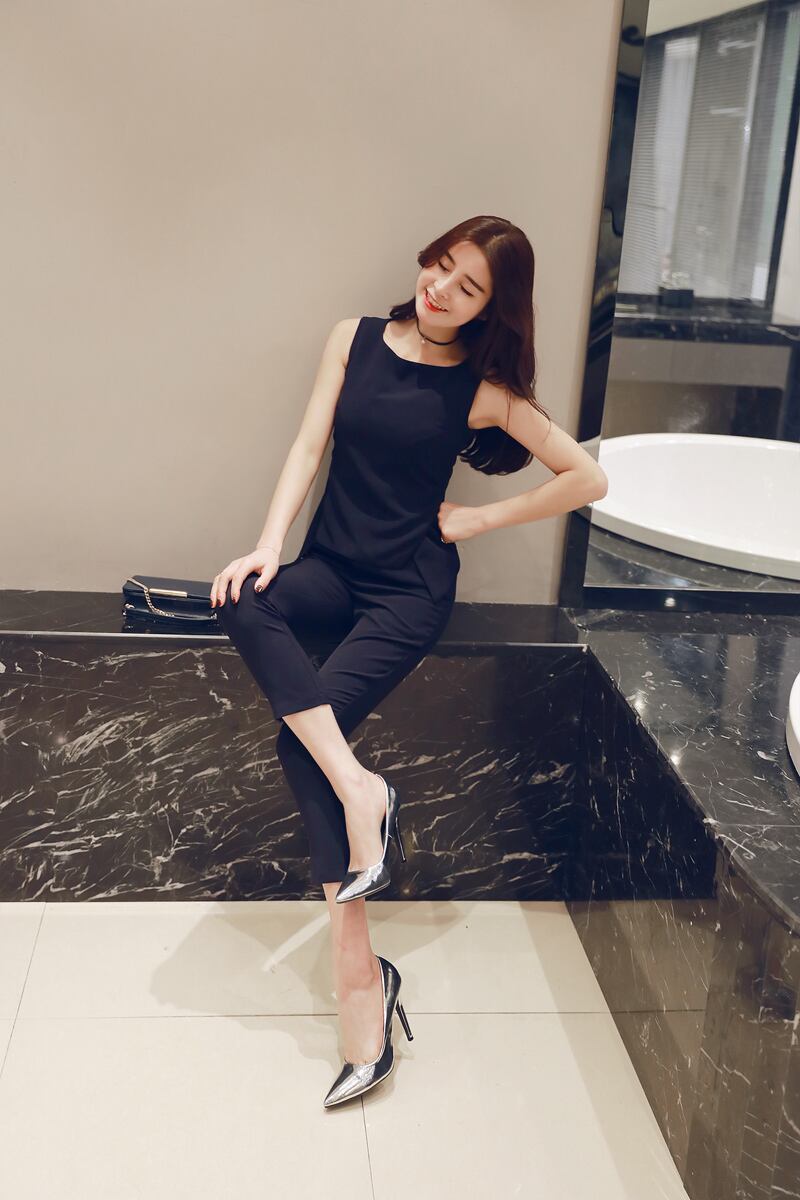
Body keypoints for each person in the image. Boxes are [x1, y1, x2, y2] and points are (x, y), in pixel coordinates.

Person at [210, 214, 608, 1107]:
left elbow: (588, 477)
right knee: (240, 596)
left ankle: (360, 982)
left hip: (408, 592)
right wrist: (269, 545)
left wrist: (477, 519)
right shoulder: (352, 338)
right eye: (442, 266)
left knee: (297, 747)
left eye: (468, 287)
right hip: (331, 568)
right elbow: (308, 446)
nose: (441, 289)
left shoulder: (484, 389)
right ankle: (364, 792)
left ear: (490, 309)